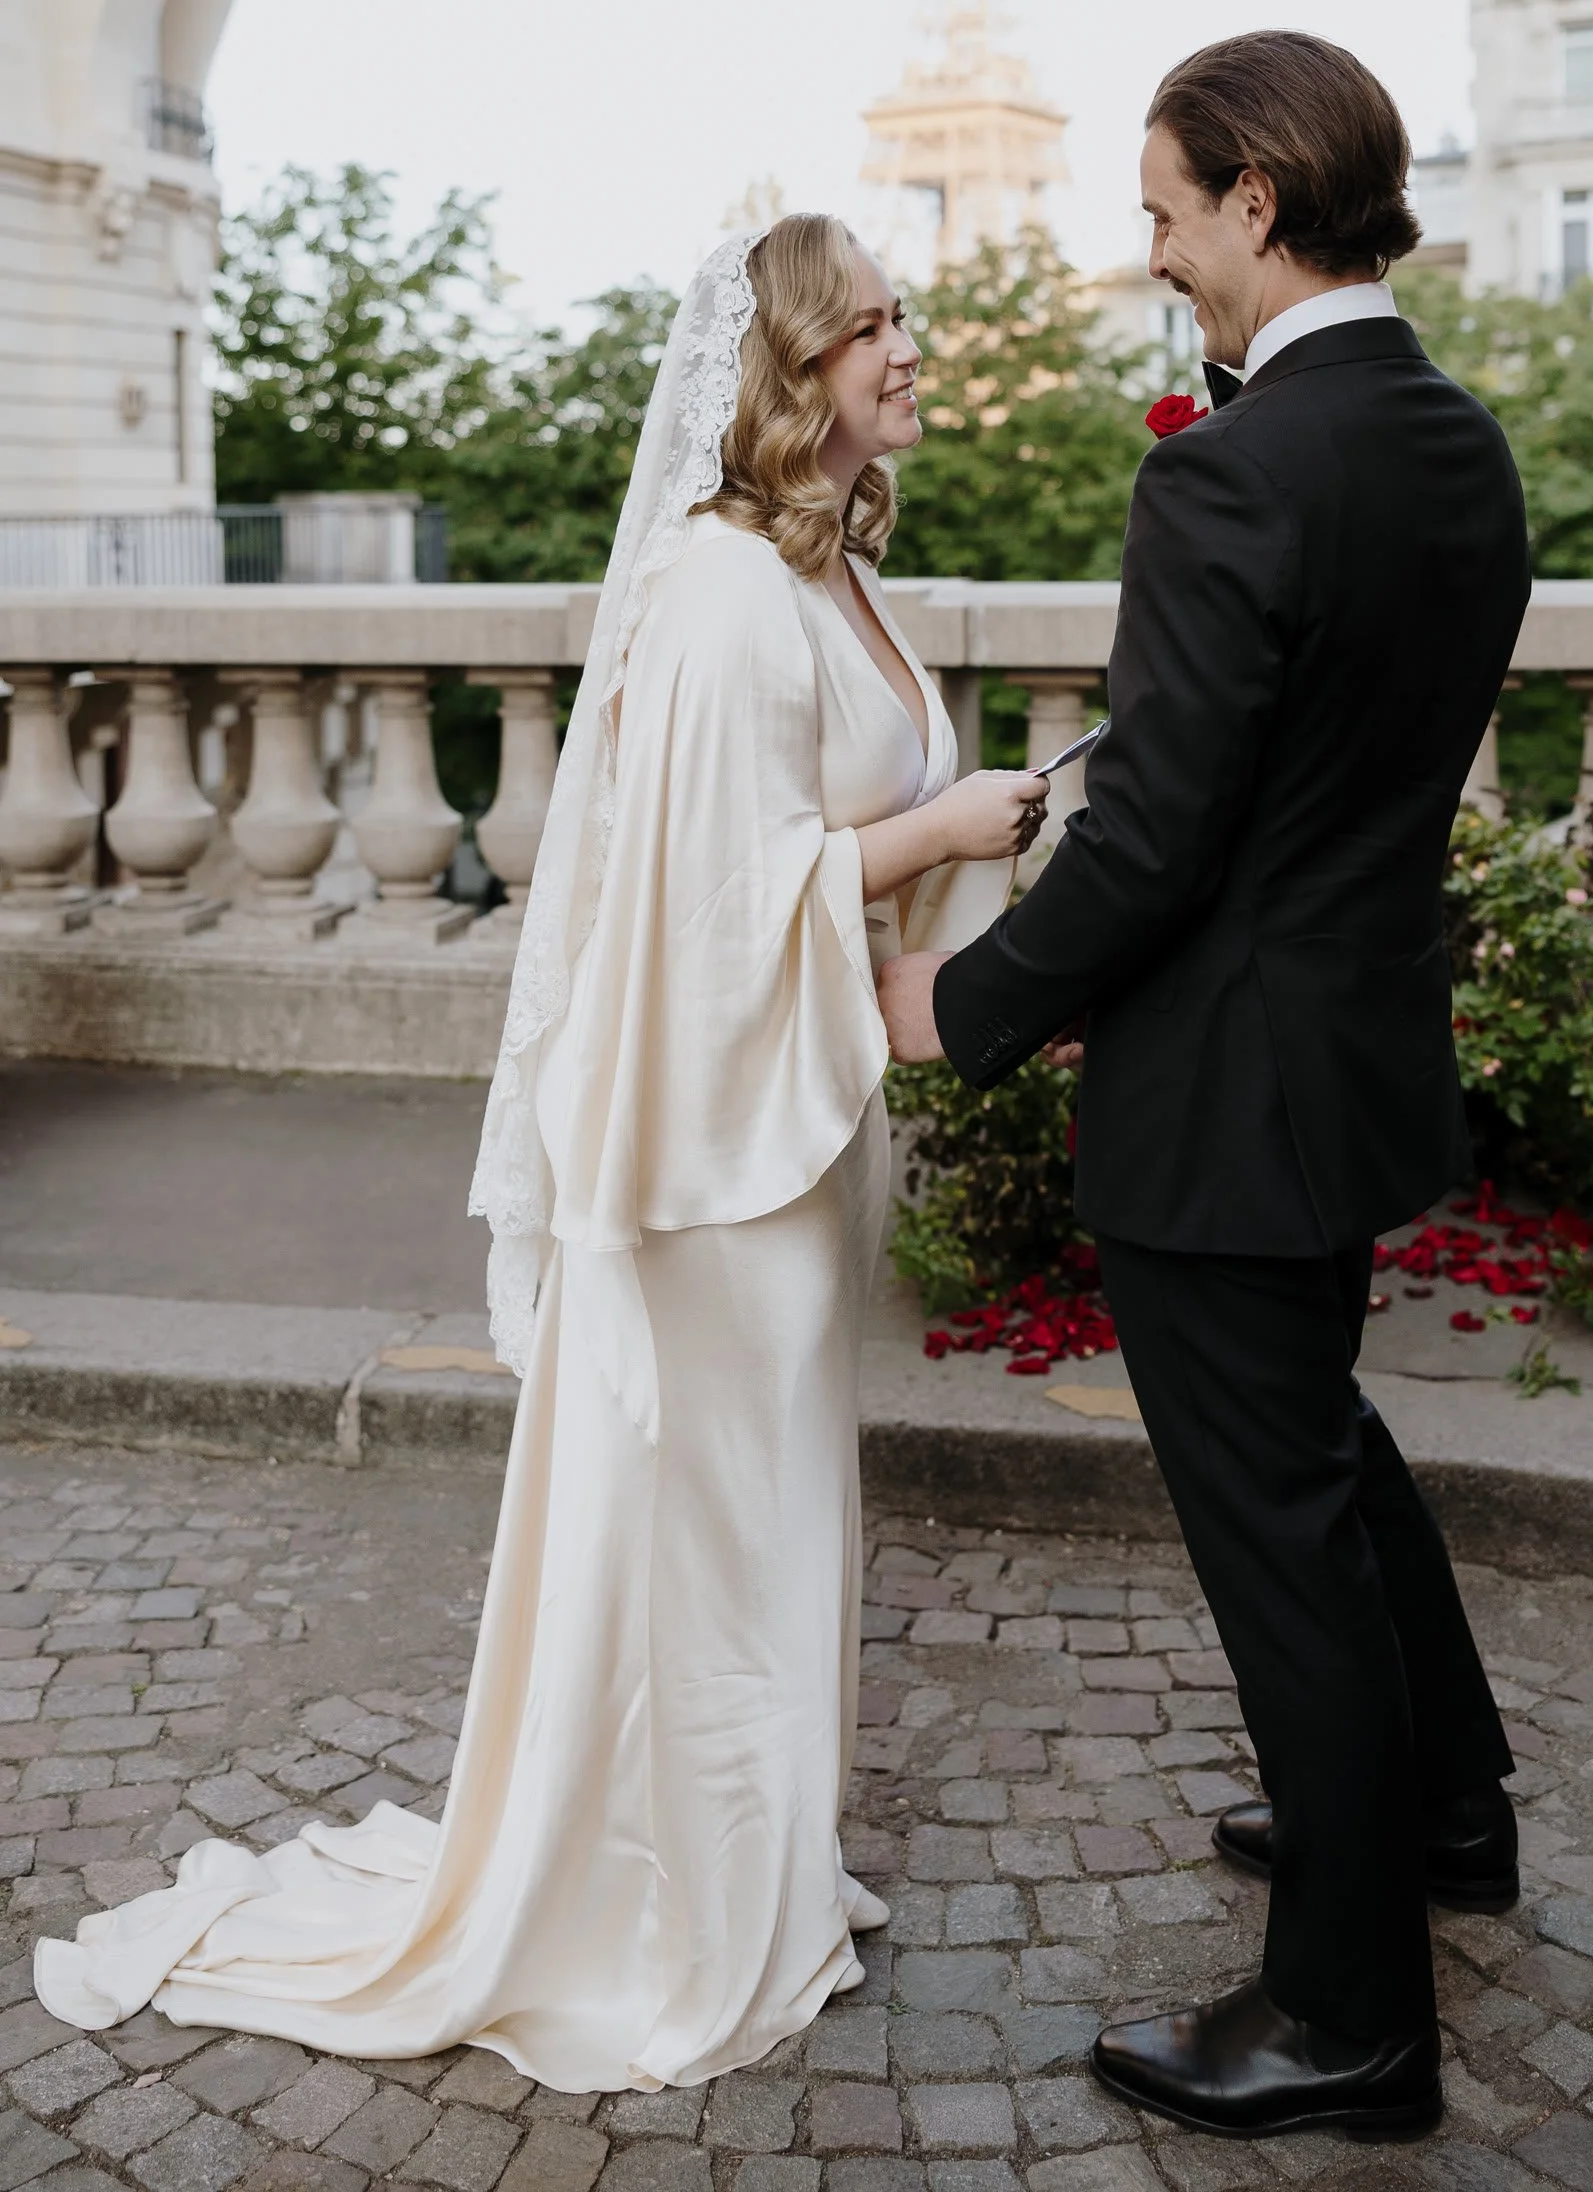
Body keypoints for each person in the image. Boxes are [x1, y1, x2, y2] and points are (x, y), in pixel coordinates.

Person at [35, 217, 1048, 2091]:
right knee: (720, 1519)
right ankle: (682, 1906)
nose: (912, 351)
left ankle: (759, 1867)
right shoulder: (730, 592)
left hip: (797, 1120)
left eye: (908, 320)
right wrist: (949, 831)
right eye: (878, 326)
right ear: (794, 366)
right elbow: (704, 903)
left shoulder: (835, 568)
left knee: (775, 1515)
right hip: (715, 1161)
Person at [878, 31, 1532, 2146]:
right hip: (1348, 1060)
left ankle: (1347, 2019)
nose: (1151, 254)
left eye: (1163, 213)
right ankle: (1443, 1813)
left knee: (1275, 1536)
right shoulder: (1458, 440)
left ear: (1259, 200)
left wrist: (957, 1012)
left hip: (1227, 1095)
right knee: (1321, 1452)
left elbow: (1154, 840)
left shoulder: (1232, 469)